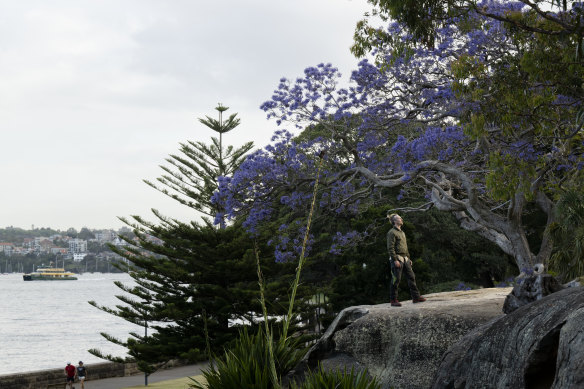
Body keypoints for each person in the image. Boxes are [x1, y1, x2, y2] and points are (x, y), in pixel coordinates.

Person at [387, 212, 426, 307]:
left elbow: (405, 247)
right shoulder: (391, 232)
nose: (401, 219)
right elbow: (390, 248)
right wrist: (395, 259)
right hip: (397, 259)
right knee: (396, 279)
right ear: (394, 221)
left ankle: (416, 297)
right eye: (399, 218)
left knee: (411, 277)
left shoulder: (402, 232)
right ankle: (393, 300)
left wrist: (408, 258)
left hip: (405, 259)